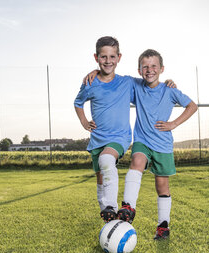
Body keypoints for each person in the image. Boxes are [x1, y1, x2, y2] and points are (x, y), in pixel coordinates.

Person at [117, 49, 198, 240]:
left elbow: (192, 106)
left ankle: (163, 227)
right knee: (136, 160)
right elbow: (112, 78)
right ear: (139, 70)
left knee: (162, 187)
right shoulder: (135, 86)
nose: (149, 70)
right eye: (145, 66)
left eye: (154, 66)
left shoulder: (169, 90)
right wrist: (95, 73)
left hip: (162, 145)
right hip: (142, 140)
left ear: (161, 69)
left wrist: (173, 124)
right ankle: (128, 206)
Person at [74, 36, 133, 222]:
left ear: (119, 57)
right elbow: (78, 102)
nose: (108, 61)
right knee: (100, 180)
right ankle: (109, 220)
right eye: (103, 57)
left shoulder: (127, 83)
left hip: (120, 137)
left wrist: (169, 81)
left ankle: (112, 207)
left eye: (112, 57)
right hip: (98, 139)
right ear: (96, 57)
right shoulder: (90, 82)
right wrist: (84, 121)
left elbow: (150, 84)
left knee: (107, 159)